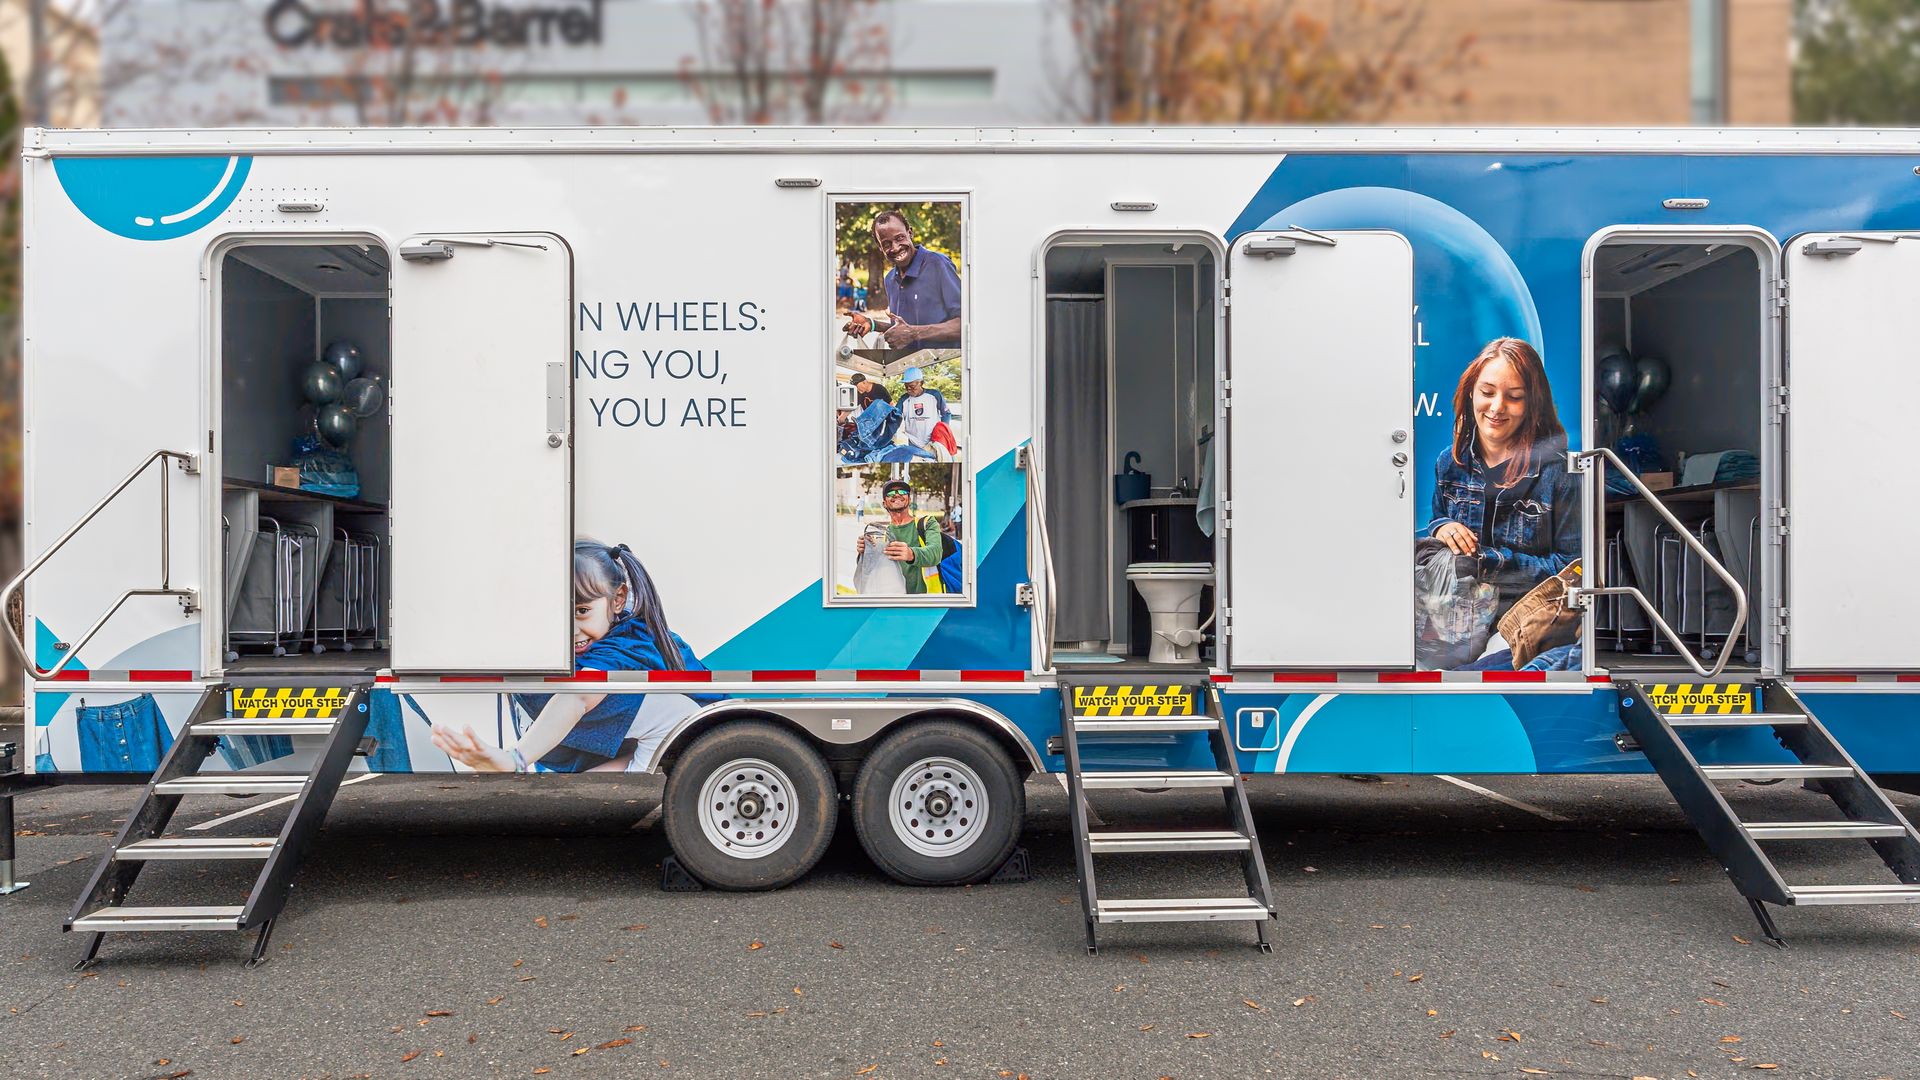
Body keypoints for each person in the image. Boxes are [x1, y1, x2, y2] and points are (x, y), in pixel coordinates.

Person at [430, 541, 718, 772]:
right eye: (558, 616)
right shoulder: (593, 636)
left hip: (709, 739)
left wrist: (516, 759)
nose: (571, 630)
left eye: (582, 611)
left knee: (673, 709)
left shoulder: (628, 643)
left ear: (617, 600)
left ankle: (622, 786)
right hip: (658, 741)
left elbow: (579, 696)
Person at [1427, 337, 1581, 667]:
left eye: (1514, 397)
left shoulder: (1559, 471)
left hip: (1524, 624)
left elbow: (1573, 569)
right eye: (1487, 392)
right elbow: (1437, 520)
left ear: (1532, 404)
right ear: (1470, 393)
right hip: (1454, 624)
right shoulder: (1448, 462)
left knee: (1475, 678)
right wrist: (1443, 527)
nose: (1497, 407)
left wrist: (1491, 563)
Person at [841, 210, 961, 350]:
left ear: (910, 233)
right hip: (908, 369)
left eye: (899, 238)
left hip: (943, 369)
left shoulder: (938, 264)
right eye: (886, 244)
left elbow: (965, 325)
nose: (895, 248)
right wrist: (873, 324)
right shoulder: (890, 279)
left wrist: (913, 333)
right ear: (880, 248)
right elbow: (903, 330)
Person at [854, 478, 944, 593]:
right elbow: (872, 570)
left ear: (909, 499)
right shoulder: (883, 534)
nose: (897, 495)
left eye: (902, 492)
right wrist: (864, 552)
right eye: (891, 493)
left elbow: (936, 553)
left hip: (924, 602)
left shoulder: (927, 523)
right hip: (894, 600)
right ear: (884, 503)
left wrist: (911, 554)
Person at [893, 366, 951, 451]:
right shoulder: (903, 399)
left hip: (933, 441)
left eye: (912, 386)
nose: (909, 389)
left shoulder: (934, 395)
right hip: (913, 442)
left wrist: (942, 433)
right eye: (906, 386)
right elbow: (895, 417)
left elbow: (946, 414)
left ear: (921, 383)